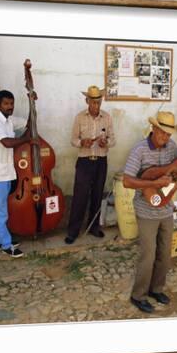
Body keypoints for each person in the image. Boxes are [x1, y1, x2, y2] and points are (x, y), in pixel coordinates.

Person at [123, 111, 177, 313]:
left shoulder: (172, 147)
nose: (166, 138)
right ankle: (138, 295)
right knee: (148, 254)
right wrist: (153, 182)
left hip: (166, 207)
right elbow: (127, 181)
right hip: (146, 210)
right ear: (154, 128)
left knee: (164, 252)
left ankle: (156, 289)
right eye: (163, 133)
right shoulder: (139, 150)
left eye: (169, 134)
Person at [0, 90, 32, 257]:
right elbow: (7, 143)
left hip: (5, 173)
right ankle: (6, 245)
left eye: (12, 103)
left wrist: (32, 102)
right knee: (0, 211)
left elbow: (30, 123)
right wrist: (27, 139)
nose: (10, 107)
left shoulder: (9, 120)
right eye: (6, 104)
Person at [65, 85, 116, 244]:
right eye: (93, 102)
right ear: (87, 100)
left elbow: (113, 140)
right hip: (84, 162)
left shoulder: (107, 117)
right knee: (80, 196)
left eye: (98, 102)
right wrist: (82, 142)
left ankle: (94, 227)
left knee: (97, 194)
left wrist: (105, 142)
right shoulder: (80, 117)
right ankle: (73, 231)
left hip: (101, 162)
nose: (96, 105)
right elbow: (73, 140)